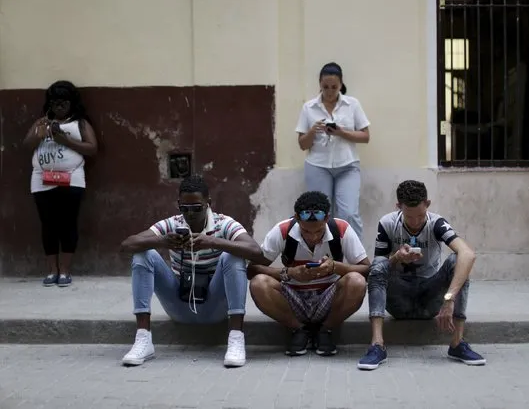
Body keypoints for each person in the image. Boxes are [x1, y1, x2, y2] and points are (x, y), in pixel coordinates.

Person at [119, 175, 263, 368]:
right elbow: (127, 245)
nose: (190, 214)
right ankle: (143, 339)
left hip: (215, 307)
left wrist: (214, 242)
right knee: (142, 254)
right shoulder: (172, 224)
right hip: (179, 305)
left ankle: (236, 338)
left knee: (233, 255)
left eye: (197, 208)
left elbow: (256, 251)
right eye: (184, 208)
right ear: (178, 204)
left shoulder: (224, 223)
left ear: (208, 203)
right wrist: (161, 241)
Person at [357, 180, 486, 370]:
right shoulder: (387, 223)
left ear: (428, 204)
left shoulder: (437, 223)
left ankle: (457, 343)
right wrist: (397, 258)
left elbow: (468, 254)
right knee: (378, 264)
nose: (416, 222)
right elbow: (378, 268)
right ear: (398, 207)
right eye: (409, 216)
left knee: (457, 261)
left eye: (420, 215)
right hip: (398, 300)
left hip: (430, 298)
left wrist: (449, 299)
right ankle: (377, 345)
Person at [248, 191, 369, 356]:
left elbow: (367, 269)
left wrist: (336, 267)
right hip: (293, 299)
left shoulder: (341, 229)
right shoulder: (283, 230)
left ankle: (325, 330)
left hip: (329, 299)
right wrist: (289, 273)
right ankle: (298, 329)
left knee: (357, 281)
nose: (313, 237)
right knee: (259, 283)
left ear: (327, 218)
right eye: (306, 231)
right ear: (297, 218)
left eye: (319, 231)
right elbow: (252, 269)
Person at [23, 80, 98, 287]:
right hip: (41, 179)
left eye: (64, 103)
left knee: (67, 224)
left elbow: (92, 148)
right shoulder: (41, 122)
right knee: (48, 225)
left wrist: (66, 141)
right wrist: (38, 137)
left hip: (71, 179)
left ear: (72, 103)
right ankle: (52, 270)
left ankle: (65, 270)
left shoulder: (80, 123)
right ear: (50, 103)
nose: (59, 107)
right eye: (55, 103)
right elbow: (26, 144)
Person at [295, 62, 370, 240]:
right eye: (325, 87)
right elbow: (302, 144)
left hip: (348, 165)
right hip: (317, 166)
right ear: (319, 84)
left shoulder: (352, 104)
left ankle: (356, 259)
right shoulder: (309, 107)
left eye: (334, 87)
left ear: (341, 84)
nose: (329, 91)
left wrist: (341, 132)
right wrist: (313, 131)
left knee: (349, 213)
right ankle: (326, 256)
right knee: (320, 214)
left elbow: (365, 136)